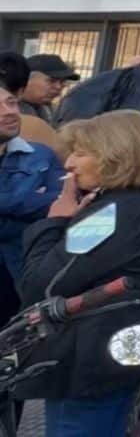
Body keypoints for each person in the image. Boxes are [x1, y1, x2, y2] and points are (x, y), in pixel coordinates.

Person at [20, 111, 140, 436]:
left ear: (118, 155)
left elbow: (41, 285)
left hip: (94, 364)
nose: (69, 164)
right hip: (139, 351)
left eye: (81, 153)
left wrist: (53, 223)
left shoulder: (113, 213)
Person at [0, 76, 63, 326]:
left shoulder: (41, 155)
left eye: (11, 103)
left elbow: (61, 204)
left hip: (22, 278)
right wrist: (32, 202)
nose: (10, 112)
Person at [17, 54, 79, 126]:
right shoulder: (8, 108)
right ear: (26, 80)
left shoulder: (47, 108)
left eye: (62, 81)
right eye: (52, 80)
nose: (58, 87)